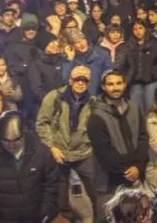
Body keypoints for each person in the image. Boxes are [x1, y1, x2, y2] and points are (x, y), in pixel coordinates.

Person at [0, 110, 58, 223]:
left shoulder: (41, 153)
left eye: (16, 140)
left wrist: (46, 211)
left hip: (36, 218)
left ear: (24, 133)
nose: (11, 145)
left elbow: (52, 185)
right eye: (6, 141)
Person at [35, 64, 95, 222]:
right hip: (59, 150)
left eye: (85, 80)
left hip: (83, 152)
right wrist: (51, 147)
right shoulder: (54, 97)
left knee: (95, 187)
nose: (80, 83)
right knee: (59, 189)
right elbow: (42, 123)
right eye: (77, 79)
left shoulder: (93, 102)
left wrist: (89, 145)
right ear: (70, 80)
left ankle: (99, 216)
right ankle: (65, 215)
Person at [88, 70, 149, 218]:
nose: (115, 87)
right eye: (110, 84)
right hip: (108, 182)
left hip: (134, 178)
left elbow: (143, 138)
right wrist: (127, 170)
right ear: (103, 87)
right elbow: (104, 152)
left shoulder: (134, 108)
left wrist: (138, 167)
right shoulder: (97, 115)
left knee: (136, 217)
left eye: (118, 83)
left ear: (124, 84)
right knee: (108, 219)